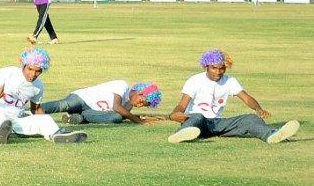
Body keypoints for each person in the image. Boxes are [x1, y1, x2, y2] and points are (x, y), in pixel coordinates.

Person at [168, 50, 299, 144]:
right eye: (214, 68)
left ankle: (271, 135)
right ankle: (181, 133)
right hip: (197, 122)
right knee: (198, 116)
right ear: (206, 67)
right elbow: (182, 104)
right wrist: (175, 114)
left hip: (218, 124)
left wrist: (258, 109)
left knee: (250, 119)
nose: (218, 72)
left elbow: (246, 98)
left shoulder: (230, 81)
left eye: (222, 69)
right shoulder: (195, 80)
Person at [0, 48, 87, 144]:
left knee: (45, 119)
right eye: (30, 69)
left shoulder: (38, 86)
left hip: (13, 121)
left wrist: (49, 123)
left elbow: (36, 110)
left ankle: (57, 134)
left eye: (38, 71)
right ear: (23, 66)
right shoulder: (7, 73)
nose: (33, 74)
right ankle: (0, 134)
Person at [41, 80, 164, 125]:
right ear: (140, 92)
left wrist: (147, 117)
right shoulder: (123, 85)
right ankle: (33, 110)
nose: (139, 105)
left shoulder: (128, 106)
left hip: (89, 111)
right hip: (82, 98)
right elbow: (116, 106)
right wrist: (138, 121)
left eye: (143, 106)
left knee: (116, 118)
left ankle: (78, 118)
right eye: (142, 102)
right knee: (63, 105)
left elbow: (122, 114)